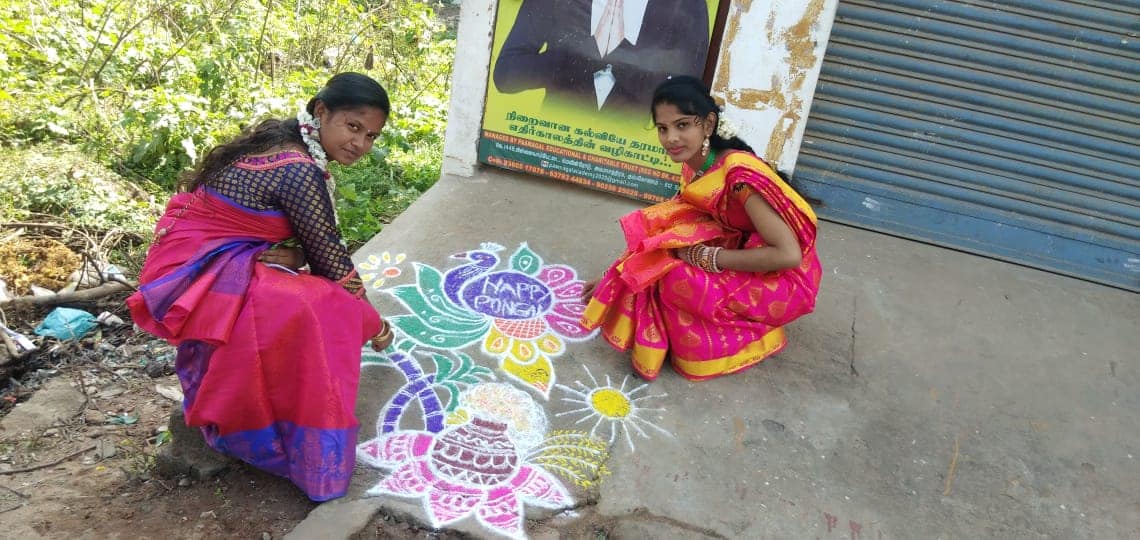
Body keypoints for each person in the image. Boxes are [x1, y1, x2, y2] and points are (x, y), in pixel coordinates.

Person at [126, 73, 395, 501]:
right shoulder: (298, 169)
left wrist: (295, 256)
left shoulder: (286, 143)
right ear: (321, 111)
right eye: (353, 126)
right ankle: (284, 440)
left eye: (371, 136)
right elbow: (333, 263)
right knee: (322, 305)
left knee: (306, 297)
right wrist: (374, 323)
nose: (360, 143)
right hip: (200, 267)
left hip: (202, 256)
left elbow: (308, 244)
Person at [581, 75, 822, 381]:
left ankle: (750, 337)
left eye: (682, 125)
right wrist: (616, 276)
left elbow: (788, 255)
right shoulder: (696, 166)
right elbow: (669, 227)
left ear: (708, 125)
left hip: (782, 279)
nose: (671, 138)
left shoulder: (739, 178)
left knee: (674, 277)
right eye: (663, 128)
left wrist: (705, 257)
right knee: (662, 243)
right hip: (740, 248)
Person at [492, 0, 710, 113]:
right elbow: (506, 74)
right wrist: (573, 60)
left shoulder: (687, 4)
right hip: (551, 147)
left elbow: (690, 94)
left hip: (633, 160)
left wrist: (629, 68)